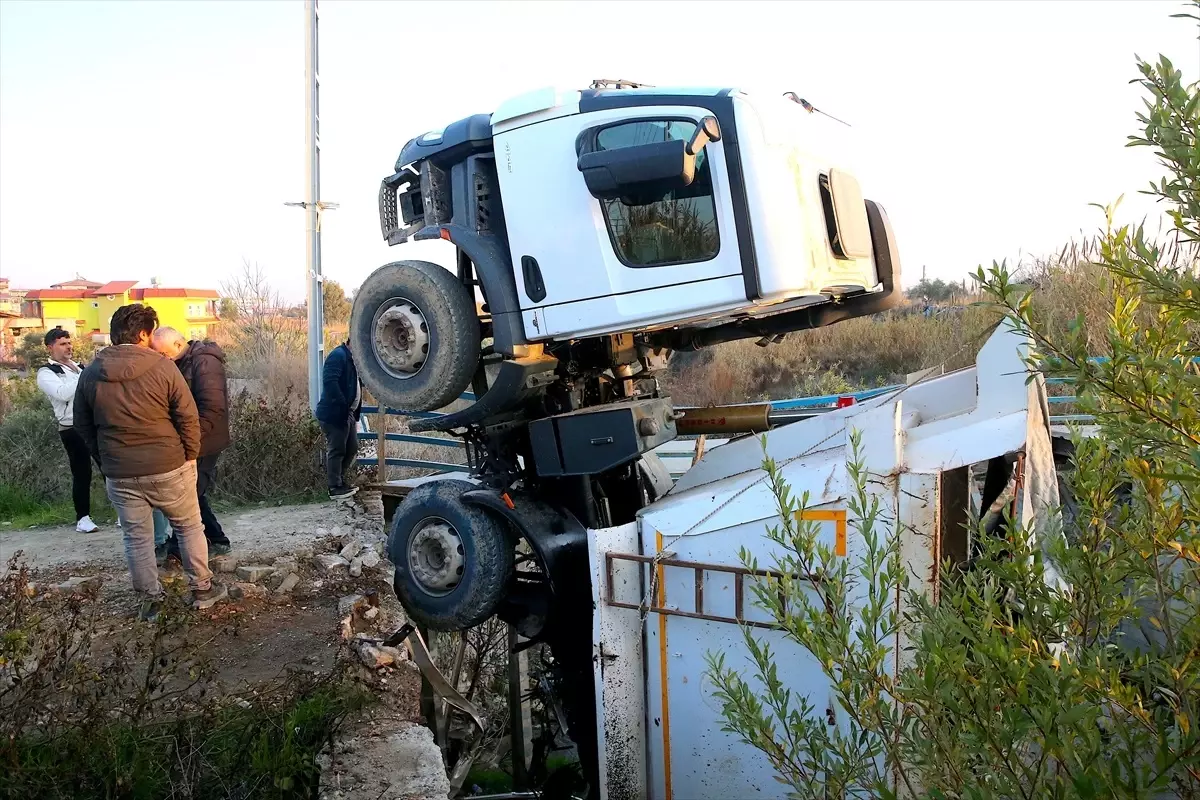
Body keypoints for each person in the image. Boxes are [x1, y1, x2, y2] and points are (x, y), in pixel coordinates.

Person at [73, 303, 226, 619]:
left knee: (137, 538)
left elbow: (83, 425)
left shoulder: (90, 374)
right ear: (143, 333)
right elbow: (187, 417)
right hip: (169, 465)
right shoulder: (163, 367)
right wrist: (189, 456)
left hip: (120, 472)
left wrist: (106, 460)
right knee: (188, 527)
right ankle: (202, 590)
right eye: (151, 331)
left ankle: (151, 603)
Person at [150, 327, 233, 558]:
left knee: (188, 494)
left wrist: (189, 438)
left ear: (178, 345)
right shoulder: (182, 361)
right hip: (193, 437)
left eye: (164, 353)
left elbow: (212, 408)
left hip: (205, 439)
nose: (162, 359)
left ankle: (179, 549)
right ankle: (217, 538)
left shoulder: (204, 362)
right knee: (195, 491)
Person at [36, 328, 100, 532]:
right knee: (82, 473)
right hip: (71, 428)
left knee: (110, 469)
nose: (68, 347)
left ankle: (121, 512)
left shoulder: (79, 368)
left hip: (93, 424)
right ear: (50, 347)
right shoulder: (46, 372)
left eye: (69, 342)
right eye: (62, 343)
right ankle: (83, 518)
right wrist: (85, 375)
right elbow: (62, 393)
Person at [315, 339, 362, 499]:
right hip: (334, 413)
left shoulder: (353, 359)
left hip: (347, 413)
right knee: (337, 449)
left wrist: (353, 415)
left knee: (351, 448)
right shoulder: (338, 356)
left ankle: (340, 482)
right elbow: (330, 382)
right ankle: (334, 487)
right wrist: (342, 405)